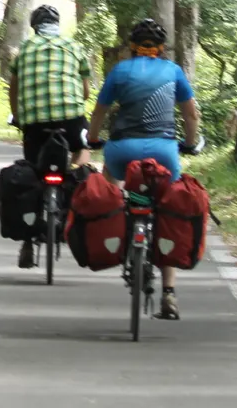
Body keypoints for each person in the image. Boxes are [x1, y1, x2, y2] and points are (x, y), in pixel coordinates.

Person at [87, 17, 203, 319]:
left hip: (122, 151)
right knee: (168, 209)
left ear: (131, 47)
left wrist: (93, 138)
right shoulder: (173, 71)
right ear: (161, 48)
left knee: (108, 184)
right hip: (164, 152)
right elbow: (191, 115)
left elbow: (100, 111)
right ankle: (169, 293)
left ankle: (112, 229)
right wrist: (190, 144)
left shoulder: (120, 71)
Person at [6, 4, 93, 269]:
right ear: (58, 24)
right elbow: (87, 92)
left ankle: (28, 243)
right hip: (70, 119)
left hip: (34, 123)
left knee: (33, 171)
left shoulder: (23, 51)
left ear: (35, 26)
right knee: (84, 146)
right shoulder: (74, 47)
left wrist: (18, 116)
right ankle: (77, 176)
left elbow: (14, 90)